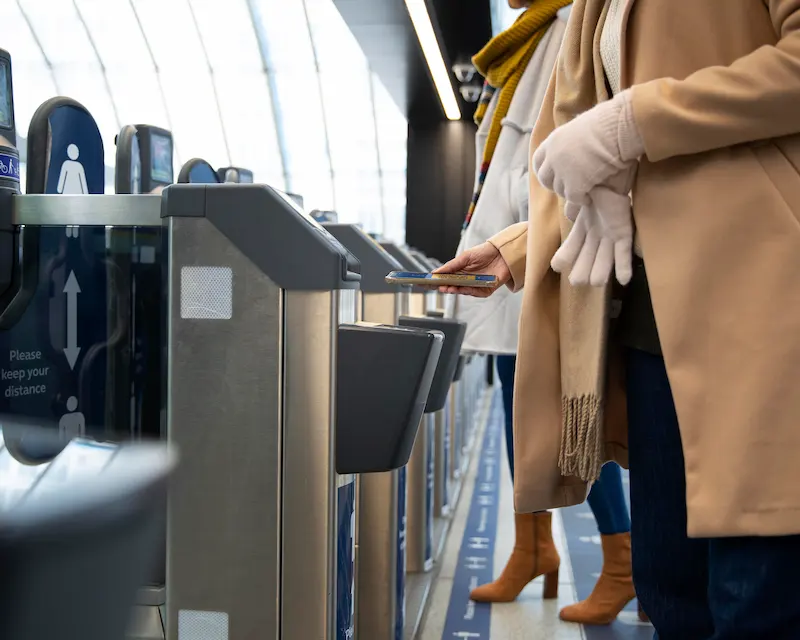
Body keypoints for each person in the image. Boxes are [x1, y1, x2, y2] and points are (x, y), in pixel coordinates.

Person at [438, 0, 800, 637]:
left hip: (758, 301)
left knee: (755, 594)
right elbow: (610, 166)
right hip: (651, 315)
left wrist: (635, 122)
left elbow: (627, 132)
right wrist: (521, 245)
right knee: (670, 589)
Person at [454, 0, 638, 624]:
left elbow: (550, 145)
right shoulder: (528, 36)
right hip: (513, 244)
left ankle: (623, 560)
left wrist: (517, 230)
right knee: (520, 410)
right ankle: (533, 550)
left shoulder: (568, 26)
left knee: (571, 416)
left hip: (543, 242)